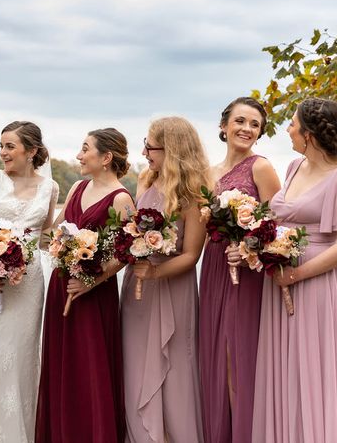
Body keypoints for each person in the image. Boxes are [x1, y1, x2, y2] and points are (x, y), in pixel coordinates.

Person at [250, 98, 337, 442]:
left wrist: (296, 275)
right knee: (284, 368)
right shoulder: (292, 168)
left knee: (318, 368)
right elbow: (275, 218)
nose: (287, 129)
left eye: (292, 124)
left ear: (310, 135)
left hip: (317, 283)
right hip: (279, 276)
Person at [36, 128, 134, 443]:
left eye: (85, 149)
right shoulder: (78, 186)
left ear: (106, 158)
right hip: (62, 286)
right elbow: (54, 233)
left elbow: (126, 253)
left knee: (89, 368)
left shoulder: (121, 198)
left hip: (93, 294)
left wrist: (92, 280)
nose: (79, 155)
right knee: (61, 365)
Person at [0, 121, 59, 443]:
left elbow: (46, 236)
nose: (2, 153)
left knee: (20, 361)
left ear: (31, 151)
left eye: (10, 147)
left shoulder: (51, 188)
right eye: (1, 146)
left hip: (28, 283)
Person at [121, 117, 210, 442]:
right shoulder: (145, 181)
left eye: (150, 146)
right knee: (134, 363)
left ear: (171, 150)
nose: (144, 152)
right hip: (138, 290)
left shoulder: (193, 194)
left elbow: (191, 255)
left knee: (174, 368)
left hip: (173, 287)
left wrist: (156, 270)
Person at [198, 97, 281, 443]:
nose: (247, 129)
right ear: (223, 126)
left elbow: (277, 224)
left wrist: (247, 246)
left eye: (254, 125)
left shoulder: (260, 167)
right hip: (214, 268)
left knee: (238, 358)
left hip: (247, 271)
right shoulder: (206, 173)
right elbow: (200, 229)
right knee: (214, 355)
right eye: (240, 121)